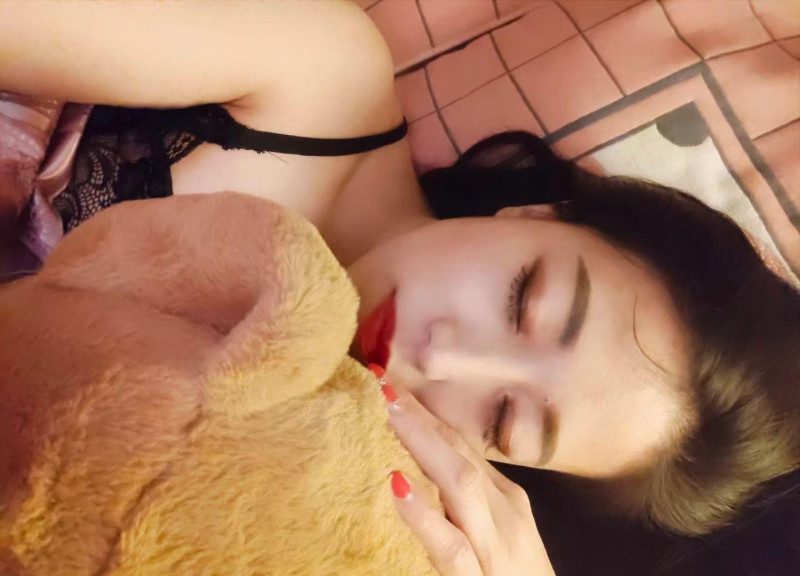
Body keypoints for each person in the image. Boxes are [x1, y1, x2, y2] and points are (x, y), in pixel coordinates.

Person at [2, 2, 798, 574]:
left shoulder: (341, 519)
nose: (444, 355)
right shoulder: (317, 78)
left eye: (502, 418)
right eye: (522, 298)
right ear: (537, 214)